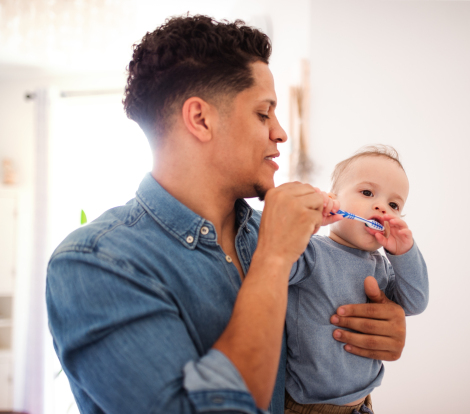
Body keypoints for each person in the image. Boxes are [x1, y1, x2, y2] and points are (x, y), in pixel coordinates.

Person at [46, 16, 408, 414]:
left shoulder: (276, 236)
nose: (281, 133)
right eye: (263, 113)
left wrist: (375, 331)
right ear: (200, 119)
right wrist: (271, 258)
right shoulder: (95, 264)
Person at [284, 146, 428, 414]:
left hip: (363, 405)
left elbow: (415, 302)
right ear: (332, 199)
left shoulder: (382, 266)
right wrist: (306, 221)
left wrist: (404, 252)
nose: (381, 206)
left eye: (394, 205)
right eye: (367, 193)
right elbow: (278, 265)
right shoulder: (313, 252)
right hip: (307, 408)